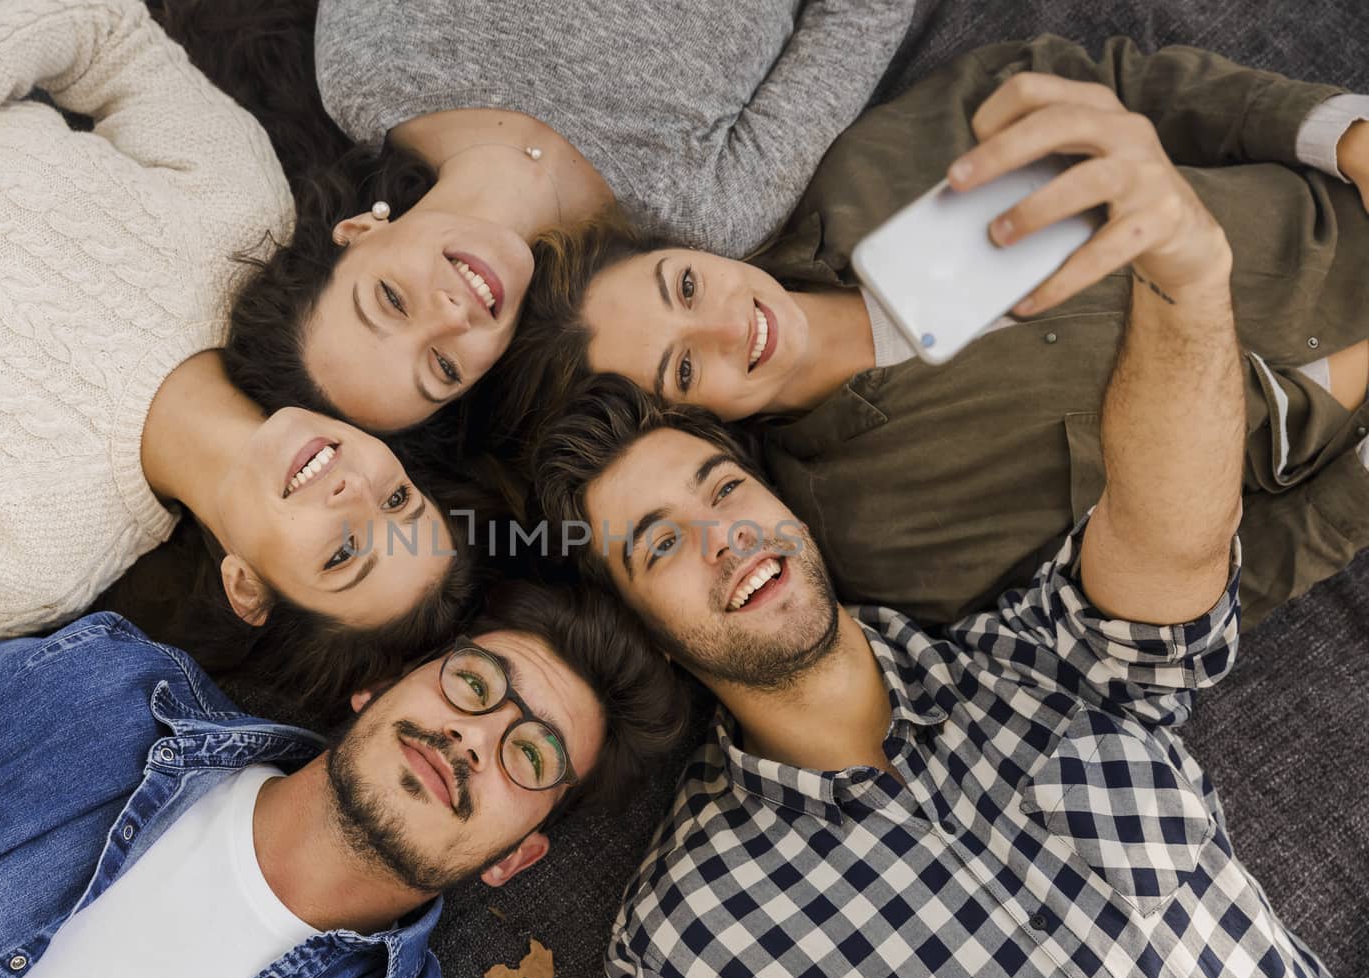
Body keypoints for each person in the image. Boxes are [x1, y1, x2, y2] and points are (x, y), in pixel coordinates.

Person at [530, 87, 1369, 978]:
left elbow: (1164, 535)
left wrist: (1185, 277)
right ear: (649, 629)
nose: (722, 535)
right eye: (660, 544)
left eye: (721, 486)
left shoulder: (1033, 661)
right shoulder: (682, 940)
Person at [500, 37, 1369, 629]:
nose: (731, 322)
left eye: (686, 284)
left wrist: (1351, 139)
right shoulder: (880, 539)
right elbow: (1211, 587)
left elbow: (1123, 87)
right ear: (692, 424)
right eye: (684, 368)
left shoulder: (873, 162)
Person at [0, 0, 474, 696]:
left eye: (345, 551)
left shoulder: (34, 565)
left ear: (247, 587)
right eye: (399, 498)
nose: (358, 495)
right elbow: (105, 29)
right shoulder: (243, 225)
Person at [0, 582, 687, 978]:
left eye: (531, 756)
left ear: (515, 857)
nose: (473, 737)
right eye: (476, 684)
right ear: (375, 685)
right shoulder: (94, 695)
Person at [159, 0, 914, 432]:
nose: (450, 313)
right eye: (443, 367)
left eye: (390, 299)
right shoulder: (698, 222)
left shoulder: (367, 65)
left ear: (361, 232)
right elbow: (863, 16)